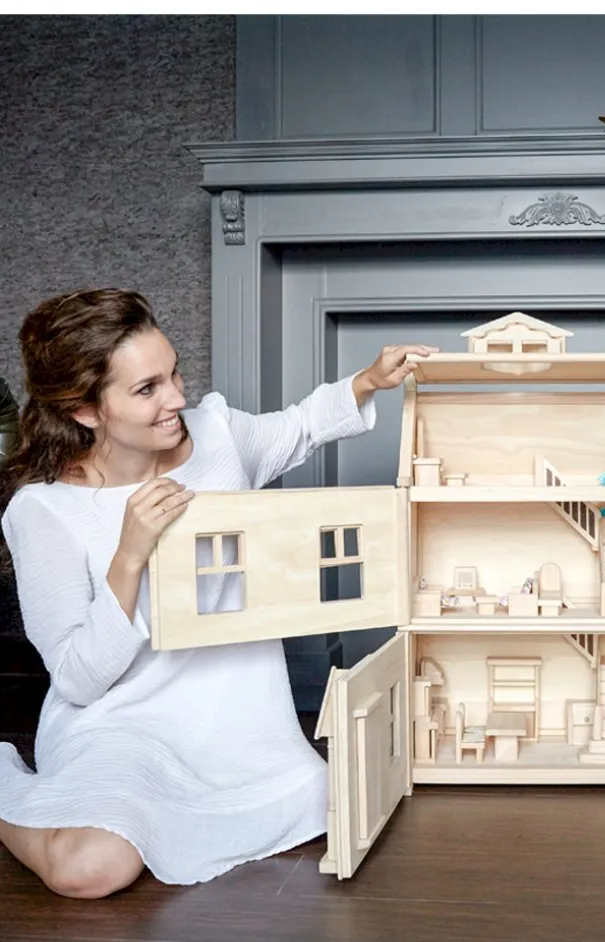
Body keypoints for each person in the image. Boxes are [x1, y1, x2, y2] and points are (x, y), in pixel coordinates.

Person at [0, 287, 436, 898]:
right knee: (89, 870)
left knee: (334, 804)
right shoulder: (44, 511)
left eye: (174, 373)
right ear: (86, 410)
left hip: (236, 731)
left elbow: (302, 426)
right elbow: (77, 680)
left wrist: (368, 380)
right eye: (147, 389)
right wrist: (130, 555)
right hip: (122, 728)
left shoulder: (219, 438)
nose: (177, 399)